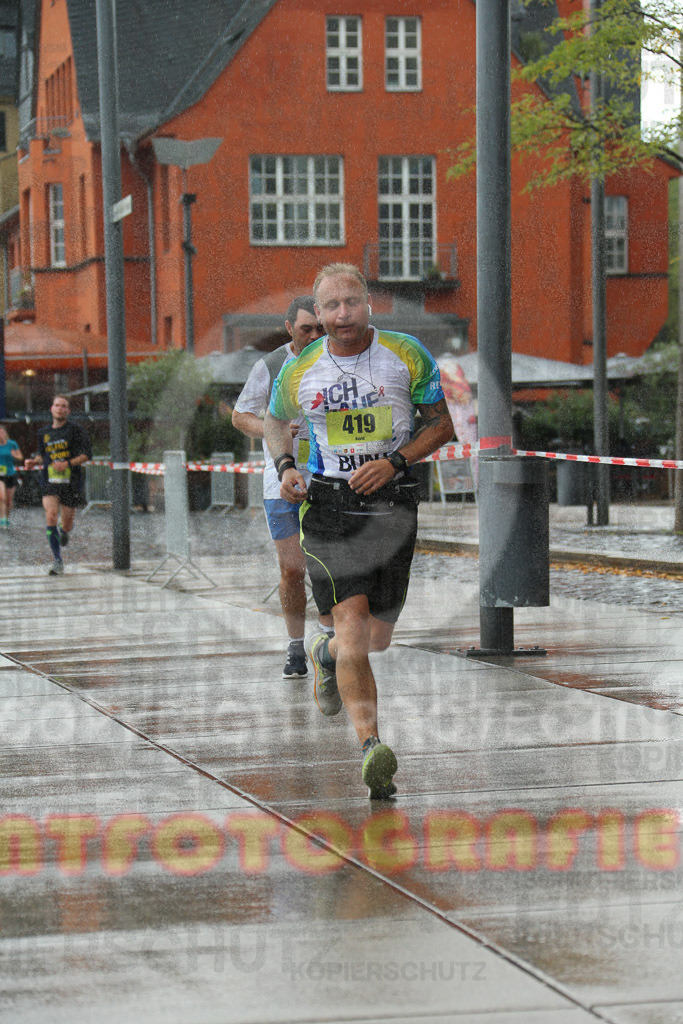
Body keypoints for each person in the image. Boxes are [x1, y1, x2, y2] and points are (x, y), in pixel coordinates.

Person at [265, 263, 454, 798]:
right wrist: (286, 467)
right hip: (329, 506)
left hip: (392, 503)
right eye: (330, 306)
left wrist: (395, 462)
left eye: (351, 302)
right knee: (351, 627)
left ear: (369, 303)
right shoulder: (301, 368)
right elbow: (275, 420)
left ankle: (324, 655)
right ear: (318, 314)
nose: (342, 314)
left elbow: (442, 425)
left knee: (376, 637)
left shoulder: (406, 353)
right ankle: (373, 748)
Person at [232, 296, 334, 678]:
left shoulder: (335, 359)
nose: (314, 335)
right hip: (281, 480)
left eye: (319, 328)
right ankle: (295, 645)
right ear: (289, 327)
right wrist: (274, 428)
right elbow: (240, 416)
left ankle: (327, 645)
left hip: (327, 477)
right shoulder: (272, 365)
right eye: (306, 328)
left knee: (324, 567)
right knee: (293, 569)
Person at [24, 395, 92, 575]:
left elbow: (86, 455)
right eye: (57, 405)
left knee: (67, 523)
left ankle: (65, 531)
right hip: (49, 481)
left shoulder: (76, 430)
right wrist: (33, 461)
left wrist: (67, 463)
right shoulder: (43, 433)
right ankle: (57, 560)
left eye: (63, 406)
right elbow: (41, 454)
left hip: (71, 482)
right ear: (51, 409)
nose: (60, 408)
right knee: (51, 515)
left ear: (68, 411)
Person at [0, 426, 23, 529]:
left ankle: (6, 518)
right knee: (2, 497)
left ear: (5, 433)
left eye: (2, 433)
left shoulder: (12, 444)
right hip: (0, 476)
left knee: (9, 501)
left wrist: (14, 455)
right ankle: (2, 519)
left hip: (10, 474)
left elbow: (20, 457)